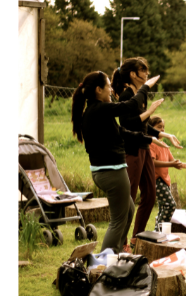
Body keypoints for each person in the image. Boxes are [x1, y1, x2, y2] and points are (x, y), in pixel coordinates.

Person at [70, 70, 165, 253]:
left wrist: (149, 139)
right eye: (108, 86)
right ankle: (107, 261)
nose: (111, 89)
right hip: (111, 171)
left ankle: (119, 251)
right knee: (118, 220)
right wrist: (145, 87)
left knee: (129, 209)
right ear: (98, 90)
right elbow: (129, 105)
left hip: (107, 171)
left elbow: (120, 132)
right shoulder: (99, 109)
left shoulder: (96, 112)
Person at [112, 57, 183, 246]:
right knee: (130, 197)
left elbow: (143, 125)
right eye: (143, 70)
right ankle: (123, 241)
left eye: (147, 70)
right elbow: (129, 124)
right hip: (133, 150)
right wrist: (150, 109)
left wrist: (164, 134)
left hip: (144, 149)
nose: (147, 74)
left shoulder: (139, 95)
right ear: (133, 74)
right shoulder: (128, 96)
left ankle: (137, 237)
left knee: (150, 195)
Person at [148, 115, 186, 232]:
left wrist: (184, 165)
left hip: (164, 180)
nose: (162, 130)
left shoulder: (164, 144)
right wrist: (171, 165)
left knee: (163, 207)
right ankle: (158, 231)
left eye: (163, 127)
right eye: (159, 127)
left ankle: (157, 231)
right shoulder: (151, 144)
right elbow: (152, 162)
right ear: (150, 128)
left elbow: (172, 161)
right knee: (170, 205)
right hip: (156, 179)